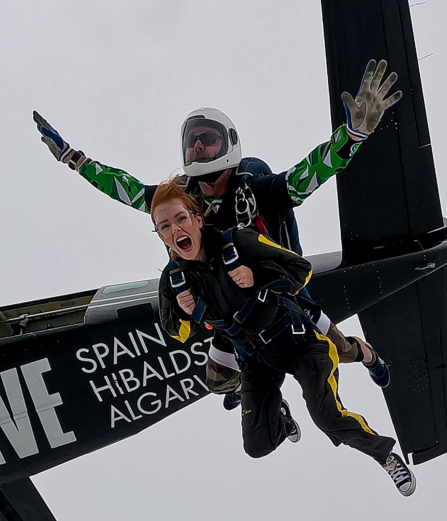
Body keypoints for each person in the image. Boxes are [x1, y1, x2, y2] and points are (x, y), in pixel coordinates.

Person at [32, 60, 396, 405]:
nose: (198, 146)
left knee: (338, 350)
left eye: (207, 138)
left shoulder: (259, 190)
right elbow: (123, 187)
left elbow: (310, 172)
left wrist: (352, 136)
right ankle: (261, 395)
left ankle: (367, 355)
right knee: (218, 380)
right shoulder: (181, 202)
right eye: (192, 141)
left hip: (279, 295)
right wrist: (74, 158)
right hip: (230, 303)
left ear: (229, 143)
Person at [151, 178, 416, 496]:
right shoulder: (174, 281)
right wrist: (187, 312)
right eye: (165, 226)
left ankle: (384, 454)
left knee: (328, 413)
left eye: (180, 218)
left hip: (299, 340)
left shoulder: (238, 242)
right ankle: (282, 416)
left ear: (197, 220)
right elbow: (177, 332)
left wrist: (258, 277)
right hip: (256, 362)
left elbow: (300, 268)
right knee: (257, 445)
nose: (175, 230)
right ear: (161, 236)